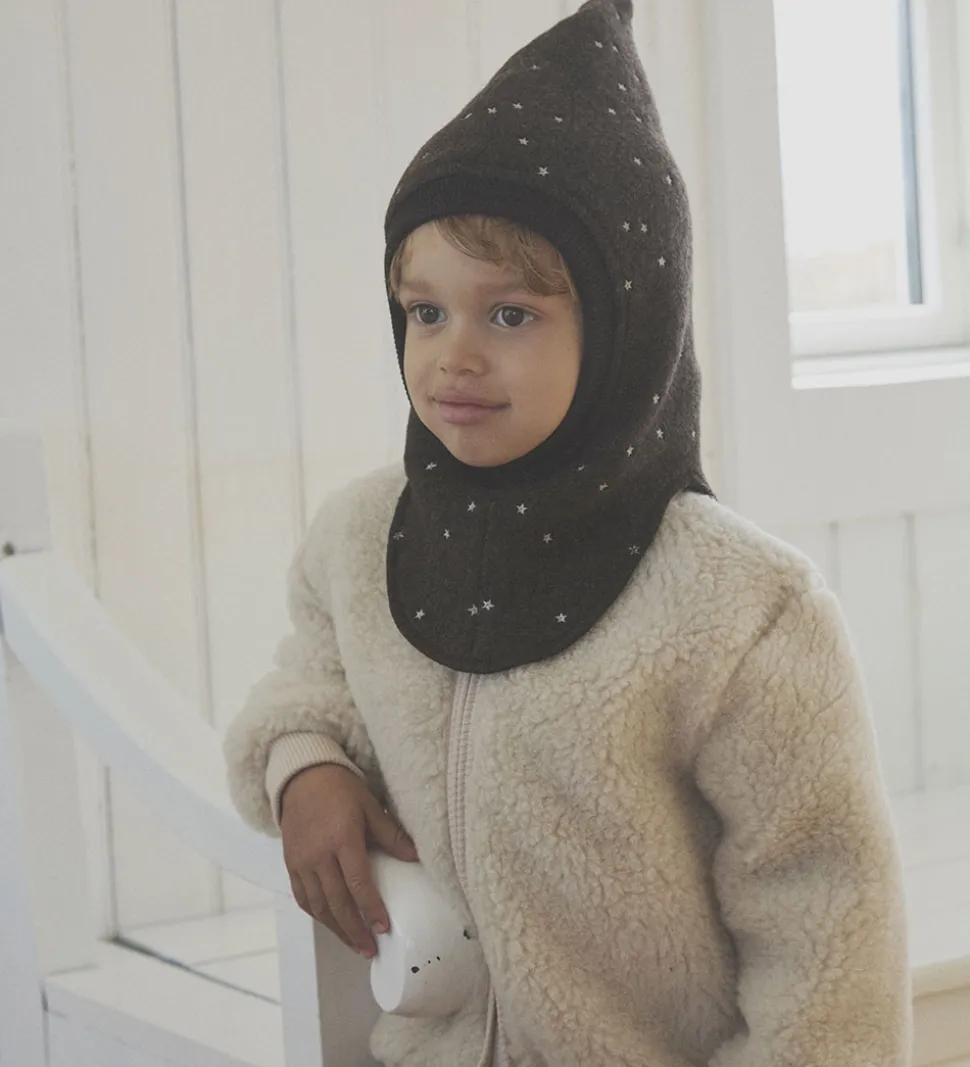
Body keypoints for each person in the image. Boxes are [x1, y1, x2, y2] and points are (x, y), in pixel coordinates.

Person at [223, 1, 913, 1064]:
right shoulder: (361, 538)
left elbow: (828, 926)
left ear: (627, 324)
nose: (452, 355)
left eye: (510, 314)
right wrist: (304, 765)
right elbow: (310, 676)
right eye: (425, 310)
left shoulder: (738, 607)